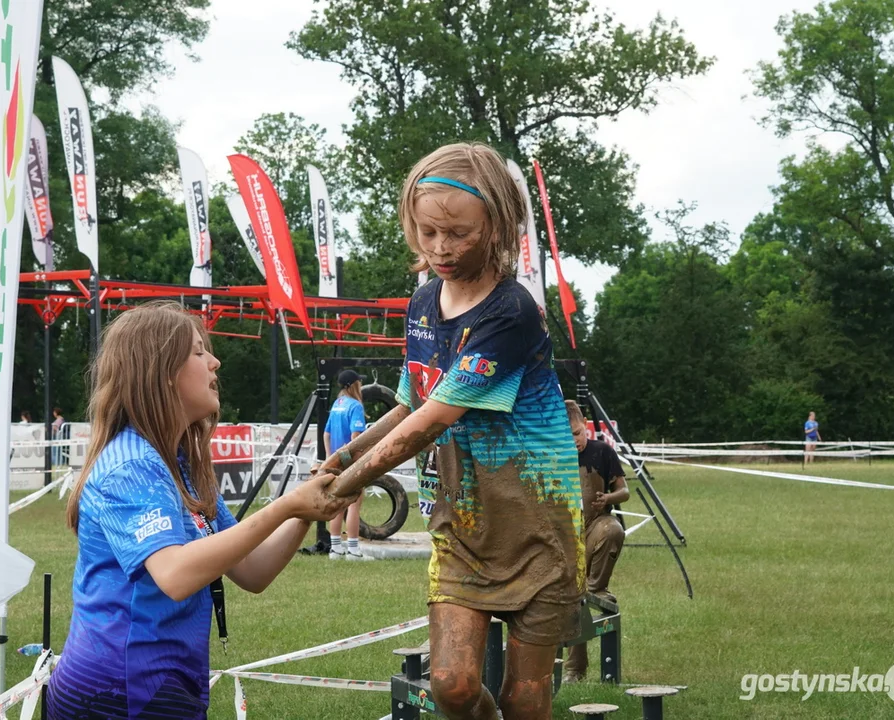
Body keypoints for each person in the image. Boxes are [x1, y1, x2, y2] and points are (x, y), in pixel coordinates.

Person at [312, 143, 581, 720]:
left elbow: (432, 421)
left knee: (525, 700)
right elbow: (412, 404)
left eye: (457, 233)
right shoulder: (423, 302)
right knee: (452, 686)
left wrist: (346, 486)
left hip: (538, 526)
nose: (441, 248)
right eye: (427, 232)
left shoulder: (510, 313)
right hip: (461, 528)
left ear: (497, 225)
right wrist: (341, 461)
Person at [47, 301, 353, 719]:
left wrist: (304, 511)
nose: (215, 362)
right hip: (118, 692)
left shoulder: (179, 465)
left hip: (162, 685)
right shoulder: (133, 464)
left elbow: (253, 571)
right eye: (198, 352)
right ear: (162, 374)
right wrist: (286, 506)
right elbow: (175, 575)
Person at [562, 399, 630, 683]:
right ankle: (573, 669)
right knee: (568, 600)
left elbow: (624, 491)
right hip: (564, 534)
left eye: (578, 433)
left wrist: (608, 499)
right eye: (568, 435)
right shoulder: (554, 457)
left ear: (585, 428)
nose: (575, 440)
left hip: (594, 526)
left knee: (612, 529)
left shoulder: (602, 452)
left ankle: (596, 587)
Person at [324, 368, 367, 560]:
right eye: (360, 382)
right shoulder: (355, 406)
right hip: (350, 462)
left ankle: (335, 548)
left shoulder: (336, 404)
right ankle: (354, 550)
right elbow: (355, 437)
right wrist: (357, 462)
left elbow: (326, 434)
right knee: (354, 505)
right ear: (354, 385)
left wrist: (330, 457)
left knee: (338, 505)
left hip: (335, 461)